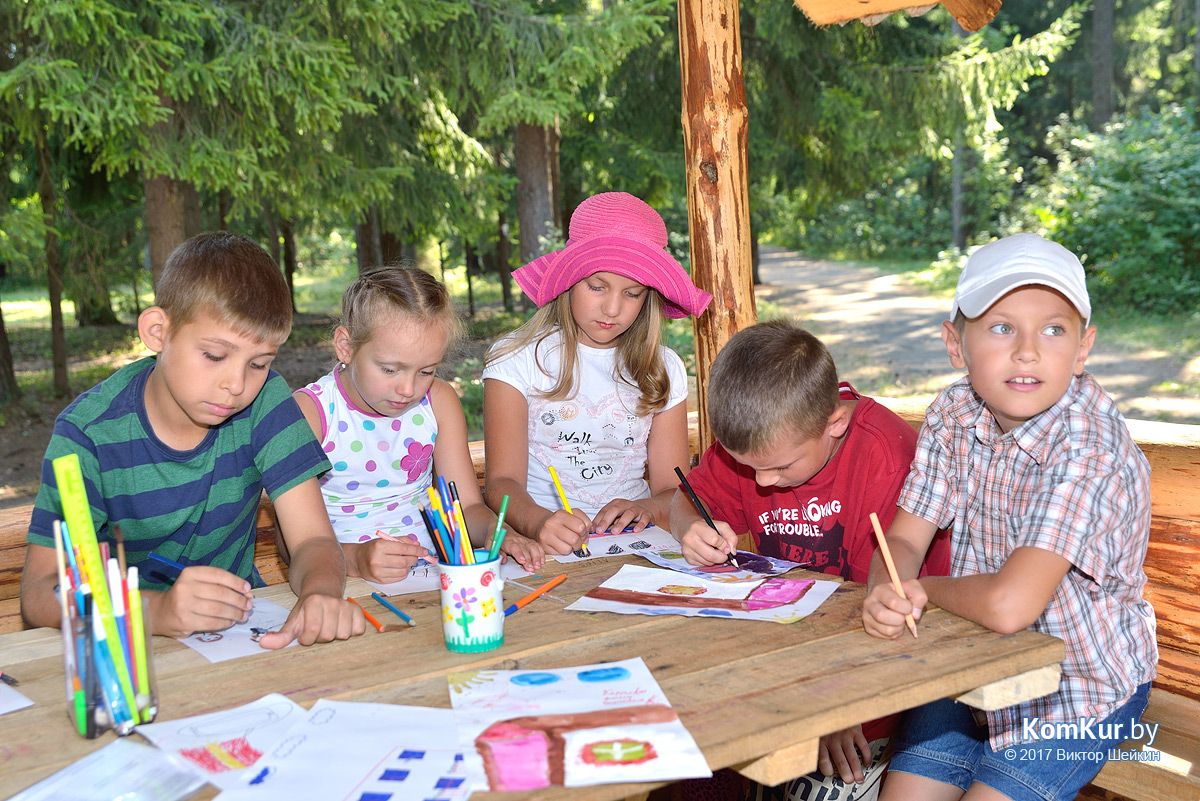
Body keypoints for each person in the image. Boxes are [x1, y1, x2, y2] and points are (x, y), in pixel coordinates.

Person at [862, 233, 1157, 801]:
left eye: (1054, 330)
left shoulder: (1089, 447)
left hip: (1077, 690)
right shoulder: (954, 411)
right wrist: (886, 587)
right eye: (1001, 327)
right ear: (956, 344)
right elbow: (904, 538)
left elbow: (1009, 605)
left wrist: (921, 590)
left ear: (1084, 347)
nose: (1027, 351)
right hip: (972, 667)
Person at [21, 232, 365, 647]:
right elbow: (39, 592)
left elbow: (312, 539)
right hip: (127, 649)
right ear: (158, 331)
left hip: (240, 636)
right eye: (215, 356)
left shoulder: (266, 402)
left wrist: (319, 595)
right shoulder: (88, 436)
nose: (236, 384)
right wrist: (158, 611)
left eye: (258, 363)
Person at [670, 320, 951, 801]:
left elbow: (880, 608)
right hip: (779, 663)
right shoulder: (768, 437)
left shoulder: (883, 457)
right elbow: (686, 499)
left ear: (834, 423)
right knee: (692, 756)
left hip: (872, 681)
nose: (762, 482)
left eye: (780, 467)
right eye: (748, 466)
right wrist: (689, 529)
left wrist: (834, 705)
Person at [482, 191, 713, 555]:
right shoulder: (517, 360)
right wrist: (539, 522)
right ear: (569, 280)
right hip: (543, 545)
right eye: (596, 287)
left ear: (649, 297)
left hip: (638, 545)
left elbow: (672, 489)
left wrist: (646, 508)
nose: (612, 308)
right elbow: (501, 483)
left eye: (632, 293)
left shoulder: (663, 368)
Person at [294, 266, 543, 582]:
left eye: (426, 371)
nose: (408, 389)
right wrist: (356, 560)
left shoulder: (438, 402)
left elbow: (467, 508)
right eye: (390, 369)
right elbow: (294, 547)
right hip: (339, 581)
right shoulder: (311, 413)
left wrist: (498, 531)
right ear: (346, 346)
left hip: (433, 578)